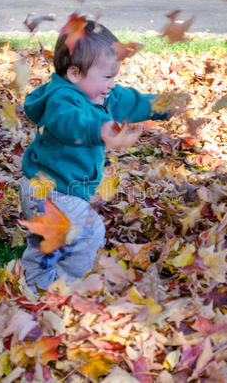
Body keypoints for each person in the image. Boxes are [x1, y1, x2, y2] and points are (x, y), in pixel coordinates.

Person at [19, 18, 177, 290]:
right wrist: (98, 129)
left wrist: (163, 105)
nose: (112, 83)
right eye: (107, 76)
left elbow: (131, 101)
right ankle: (66, 287)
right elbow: (68, 122)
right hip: (50, 191)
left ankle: (34, 285)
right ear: (74, 73)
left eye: (114, 76)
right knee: (88, 232)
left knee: (49, 242)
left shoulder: (101, 94)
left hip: (56, 188)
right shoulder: (61, 99)